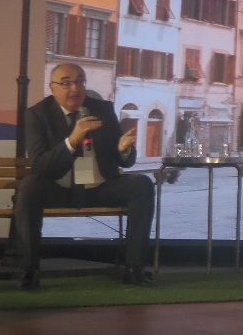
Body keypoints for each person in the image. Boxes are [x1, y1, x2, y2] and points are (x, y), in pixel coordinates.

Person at [11, 64, 155, 290]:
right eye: (66, 83)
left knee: (141, 185)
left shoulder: (102, 109)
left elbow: (123, 161)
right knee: (30, 186)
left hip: (100, 187)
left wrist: (124, 149)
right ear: (52, 88)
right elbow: (40, 166)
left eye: (80, 81)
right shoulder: (37, 115)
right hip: (60, 188)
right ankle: (29, 270)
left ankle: (134, 268)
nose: (74, 88)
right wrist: (72, 141)